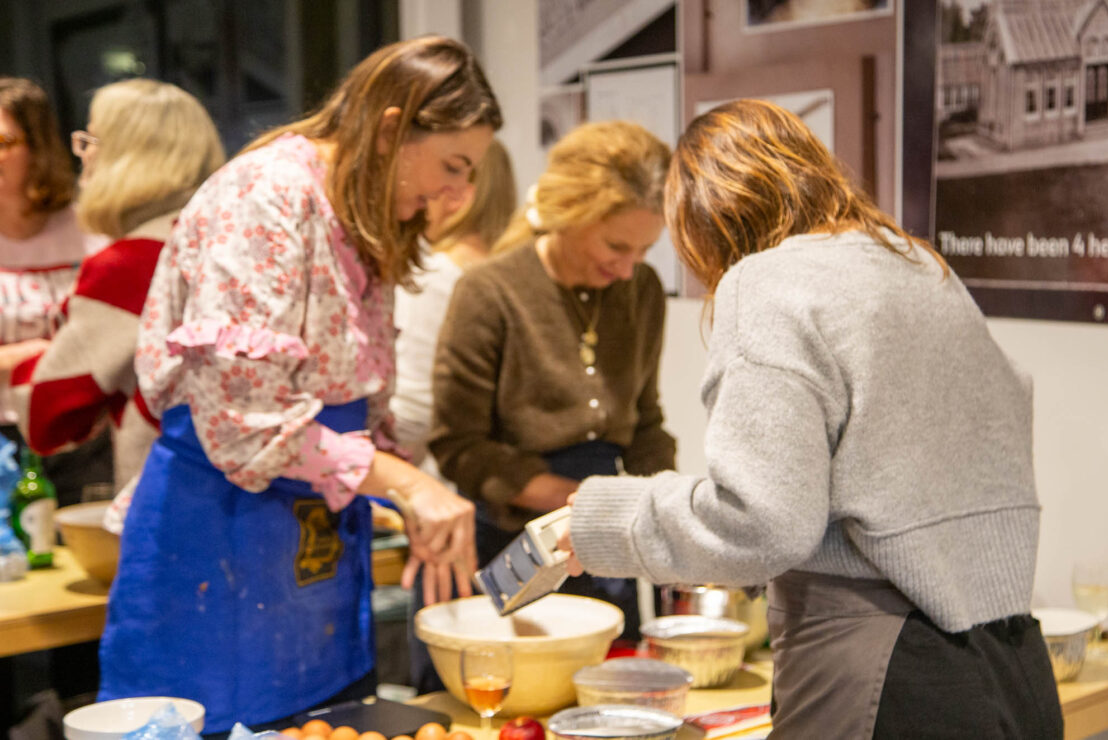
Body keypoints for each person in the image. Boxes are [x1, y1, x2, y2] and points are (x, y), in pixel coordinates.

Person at [557, 99, 1062, 738]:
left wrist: (605, 520)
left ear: (705, 219)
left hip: (882, 677)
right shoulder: (917, 265)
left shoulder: (766, 282)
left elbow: (760, 524)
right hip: (1013, 664)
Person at [99, 36, 500, 732]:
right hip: (216, 547)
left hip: (310, 557)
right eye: (452, 166)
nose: (458, 195)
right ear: (389, 129)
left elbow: (352, 408)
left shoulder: (362, 217)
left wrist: (397, 492)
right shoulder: (265, 195)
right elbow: (241, 424)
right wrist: (408, 483)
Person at [427, 120, 677, 686]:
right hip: (508, 536)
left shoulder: (640, 291)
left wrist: (666, 506)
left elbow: (645, 425)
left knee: (609, 697)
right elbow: (459, 445)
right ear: (568, 213)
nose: (628, 267)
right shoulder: (490, 292)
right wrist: (580, 503)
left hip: (600, 535)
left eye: (645, 249)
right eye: (616, 246)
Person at [11, 78, 225, 534]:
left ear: (127, 155)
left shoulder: (130, 262)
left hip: (170, 503)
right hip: (257, 494)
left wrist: (28, 359)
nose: (83, 156)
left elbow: (47, 416)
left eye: (90, 141)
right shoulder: (227, 238)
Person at [0, 77, 111, 504]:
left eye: (4, 142)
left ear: (39, 147)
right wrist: (28, 353)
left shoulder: (91, 230)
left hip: (84, 437)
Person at [391, 139, 516, 473]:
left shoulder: (434, 277)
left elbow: (413, 409)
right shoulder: (513, 278)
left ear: (459, 194)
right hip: (492, 476)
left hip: (438, 477)